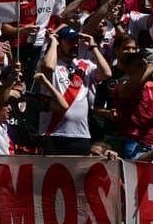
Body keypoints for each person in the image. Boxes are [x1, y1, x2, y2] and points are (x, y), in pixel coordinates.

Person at [39, 27, 111, 155]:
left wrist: (93, 47)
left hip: (81, 134)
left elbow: (107, 73)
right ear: (60, 43)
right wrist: (53, 43)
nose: (75, 45)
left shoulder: (84, 65)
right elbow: (49, 66)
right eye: (70, 42)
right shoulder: (51, 62)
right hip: (53, 133)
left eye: (76, 42)